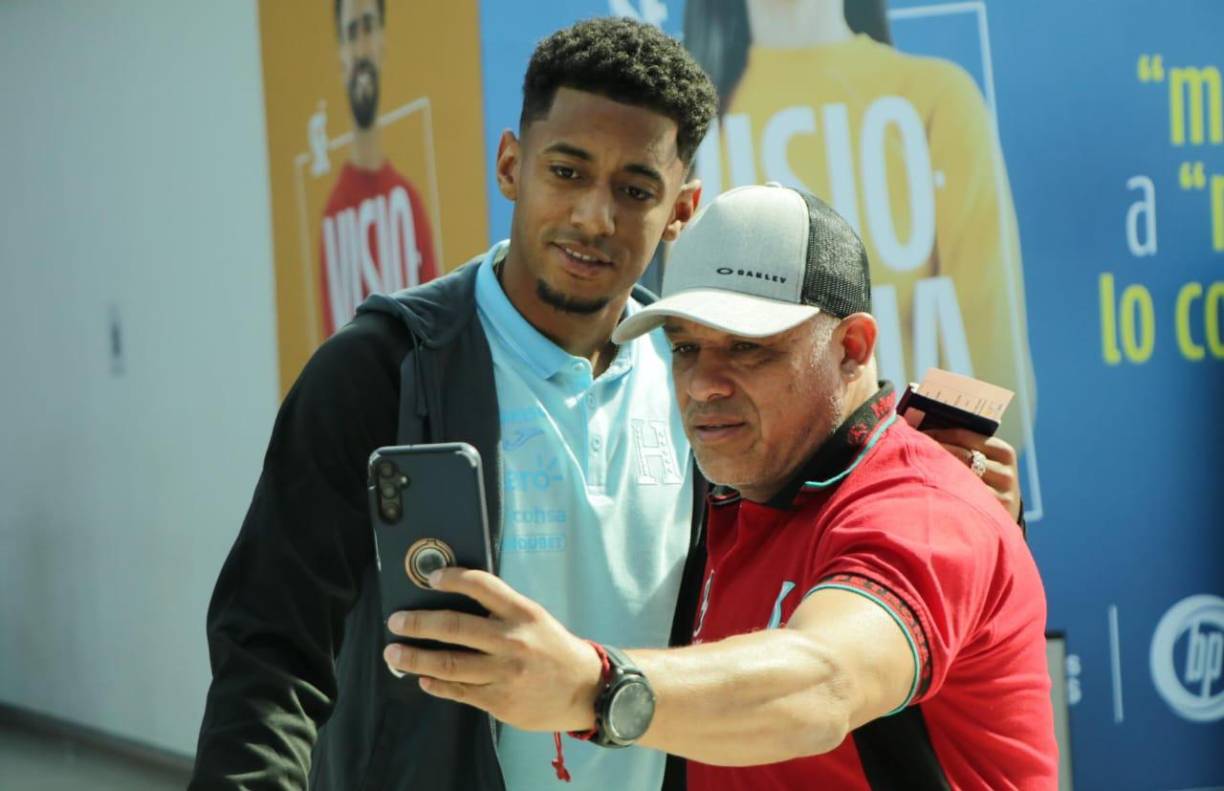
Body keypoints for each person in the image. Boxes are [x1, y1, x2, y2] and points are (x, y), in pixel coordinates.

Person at [384, 184, 1058, 789]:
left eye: (747, 347)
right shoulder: (728, 491)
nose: (703, 384)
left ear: (853, 347)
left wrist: (595, 688)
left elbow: (823, 681)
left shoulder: (924, 507)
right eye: (684, 347)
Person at [192, 17, 717, 791]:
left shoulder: (698, 382)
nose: (592, 217)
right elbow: (270, 650)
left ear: (681, 209)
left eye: (635, 189)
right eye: (566, 172)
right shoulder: (382, 369)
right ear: (511, 164)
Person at [683, 0, 1037, 455]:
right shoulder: (685, 131)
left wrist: (914, 486)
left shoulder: (935, 98)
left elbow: (994, 374)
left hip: (915, 497)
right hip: (752, 508)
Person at [318, 0, 439, 337]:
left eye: (369, 27)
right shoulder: (333, 216)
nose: (360, 48)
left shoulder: (408, 201)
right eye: (351, 33)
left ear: (383, 43)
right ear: (341, 54)